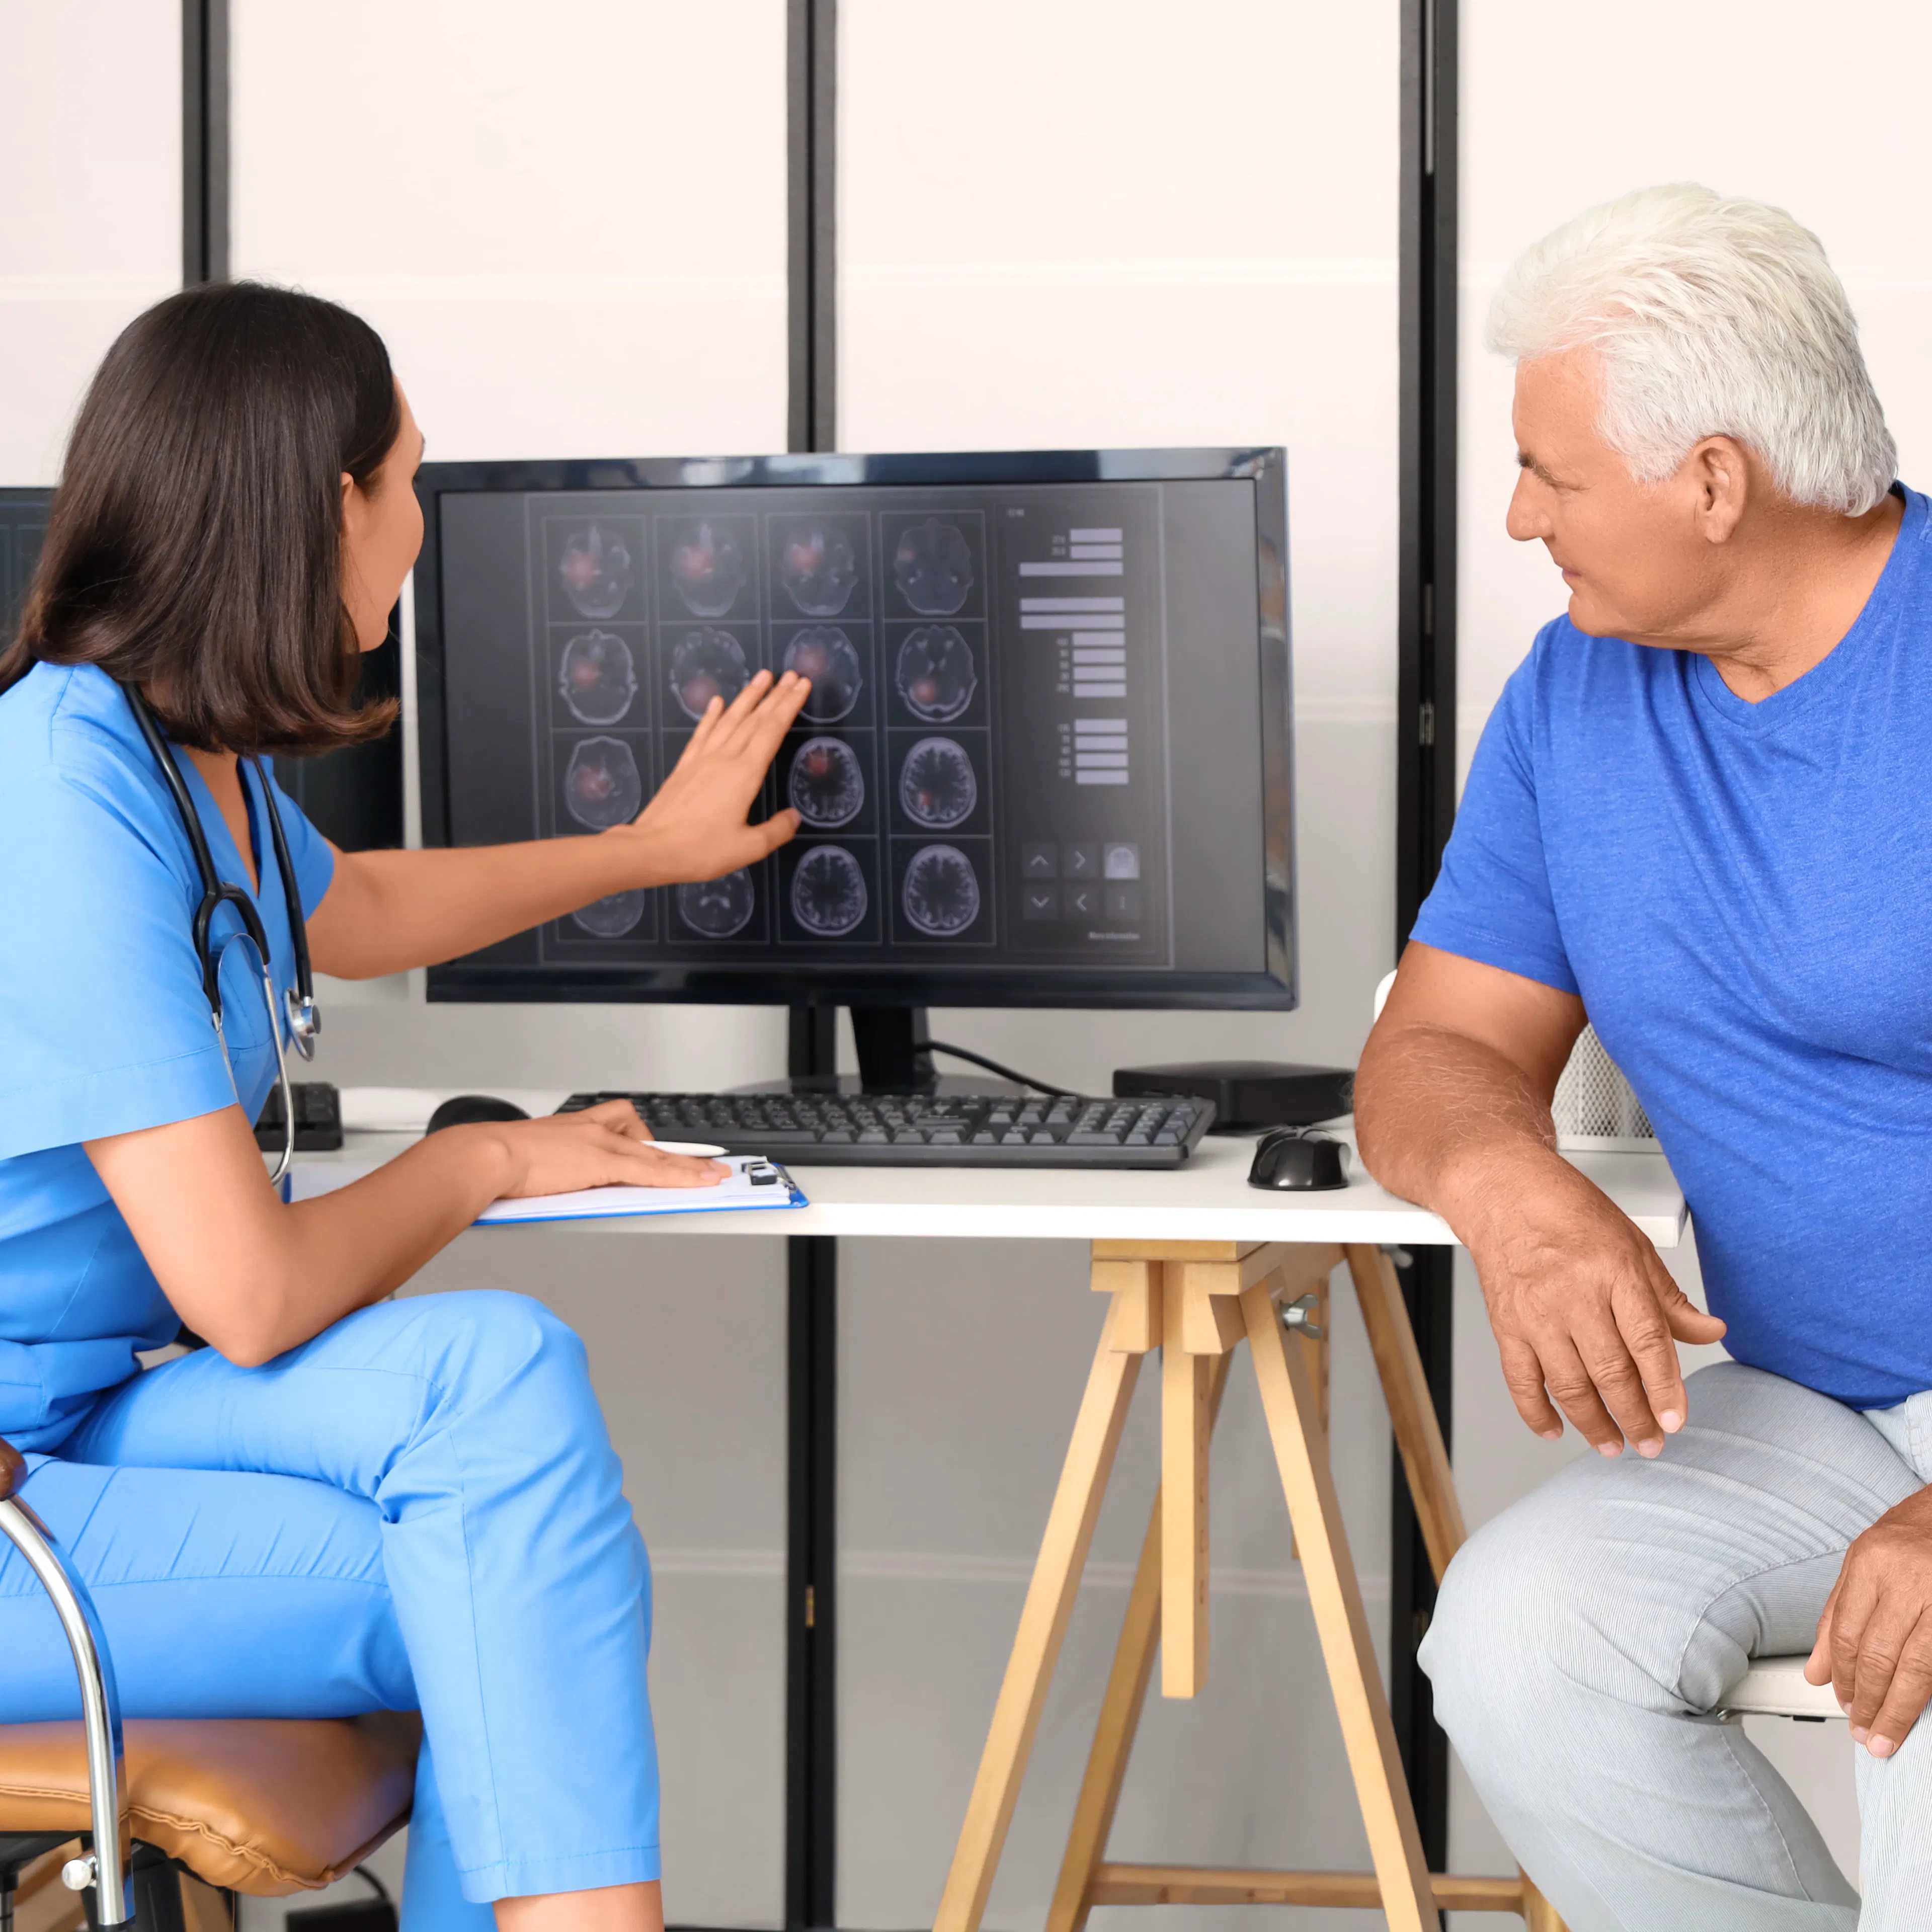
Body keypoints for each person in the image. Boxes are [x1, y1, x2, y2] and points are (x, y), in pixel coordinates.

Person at [0, 282, 813, 1931]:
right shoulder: (61, 792)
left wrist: (651, 851)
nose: (422, 527)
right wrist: (491, 1155)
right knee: (517, 1588)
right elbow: (251, 1299)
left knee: (499, 1368)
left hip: (80, 1411)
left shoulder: (174, 750)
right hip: (21, 1484)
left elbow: (347, 908)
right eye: (413, 481)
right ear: (328, 507)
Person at [1355, 185, 1932, 1930]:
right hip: (1819, 1401)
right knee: (1523, 1644)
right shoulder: (1576, 698)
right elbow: (1435, 1045)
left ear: (1715, 479)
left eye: (1554, 474)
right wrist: (1511, 1188)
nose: (1521, 517)